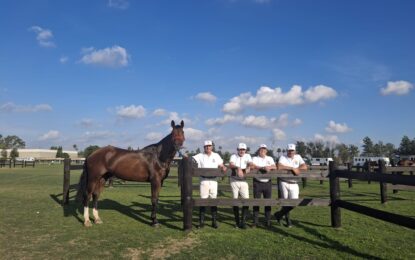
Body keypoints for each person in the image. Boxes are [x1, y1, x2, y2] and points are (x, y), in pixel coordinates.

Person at [193, 140, 227, 229]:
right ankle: (201, 222)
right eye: (206, 146)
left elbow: (221, 164)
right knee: (202, 201)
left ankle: (214, 222)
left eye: (209, 146)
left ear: (212, 147)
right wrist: (185, 157)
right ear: (204, 147)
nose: (208, 147)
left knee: (213, 201)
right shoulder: (200, 156)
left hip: (214, 181)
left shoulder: (216, 155)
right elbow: (191, 160)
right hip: (203, 180)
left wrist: (223, 167)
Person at [274, 143, 307, 227]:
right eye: (289, 150)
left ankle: (279, 214)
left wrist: (297, 169)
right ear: (287, 150)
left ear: (295, 151)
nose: (290, 152)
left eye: (292, 150)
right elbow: (279, 166)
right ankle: (288, 221)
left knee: (294, 202)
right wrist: (292, 168)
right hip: (284, 182)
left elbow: (304, 166)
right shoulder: (283, 157)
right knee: (285, 202)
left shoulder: (298, 157)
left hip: (294, 183)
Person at [251, 144, 276, 228]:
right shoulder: (255, 158)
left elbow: (275, 166)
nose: (262, 150)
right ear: (259, 150)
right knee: (256, 202)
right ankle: (255, 221)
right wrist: (262, 167)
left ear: (266, 151)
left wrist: (268, 166)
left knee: (267, 202)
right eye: (261, 149)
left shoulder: (270, 158)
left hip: (268, 183)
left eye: (264, 149)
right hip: (257, 182)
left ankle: (267, 221)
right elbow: (252, 165)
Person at [229, 143, 253, 229]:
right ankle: (237, 221)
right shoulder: (233, 156)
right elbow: (231, 164)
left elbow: (250, 163)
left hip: (244, 181)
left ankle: (243, 222)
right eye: (240, 149)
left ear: (245, 150)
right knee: (235, 201)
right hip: (234, 180)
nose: (242, 151)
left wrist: (249, 166)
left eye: (243, 149)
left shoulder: (248, 156)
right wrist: (238, 168)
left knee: (246, 200)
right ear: (237, 149)